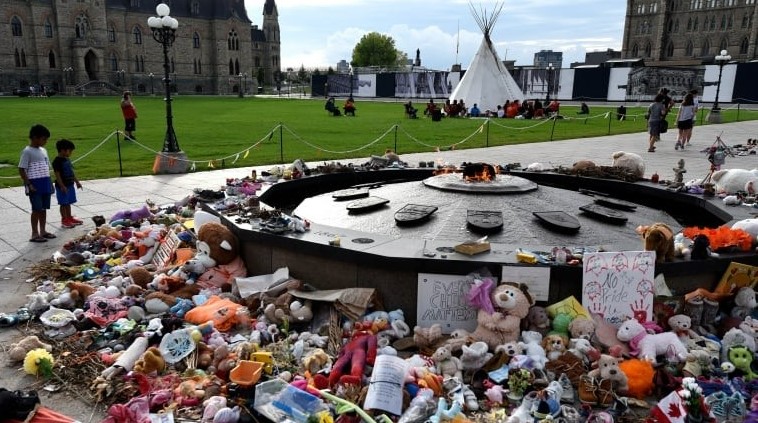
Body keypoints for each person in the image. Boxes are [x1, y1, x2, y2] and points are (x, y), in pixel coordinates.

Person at [18, 124, 56, 243]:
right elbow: (21, 169)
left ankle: (43, 231)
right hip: (34, 185)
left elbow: (46, 168)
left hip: (45, 182)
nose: (45, 142)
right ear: (35, 137)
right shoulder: (27, 151)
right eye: (43, 139)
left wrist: (50, 183)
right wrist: (29, 184)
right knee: (36, 209)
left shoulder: (44, 151)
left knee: (43, 208)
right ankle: (34, 233)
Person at [52, 139, 83, 228]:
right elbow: (57, 175)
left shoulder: (67, 159)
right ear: (63, 150)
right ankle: (64, 219)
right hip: (62, 186)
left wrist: (77, 182)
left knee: (68, 202)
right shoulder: (57, 161)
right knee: (63, 203)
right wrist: (62, 186)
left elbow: (71, 172)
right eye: (70, 151)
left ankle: (69, 217)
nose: (71, 153)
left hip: (69, 185)